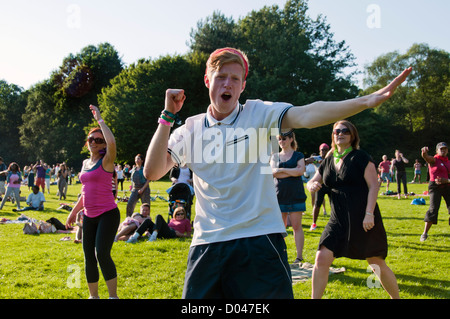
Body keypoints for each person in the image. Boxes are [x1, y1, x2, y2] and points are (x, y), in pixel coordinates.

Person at [143, 47, 411, 299]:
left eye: (235, 79)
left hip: (260, 239)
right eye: (221, 77)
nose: (228, 84)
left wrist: (365, 101)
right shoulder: (189, 129)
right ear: (207, 80)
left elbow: (307, 114)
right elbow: (152, 171)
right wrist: (167, 116)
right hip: (208, 243)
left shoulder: (259, 114)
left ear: (243, 86)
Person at [307, 120, 399, 299]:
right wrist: (311, 185)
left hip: (363, 217)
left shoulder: (361, 157)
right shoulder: (329, 159)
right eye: (336, 131)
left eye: (345, 131)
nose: (340, 134)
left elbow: (374, 186)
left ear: (352, 135)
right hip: (338, 218)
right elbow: (313, 180)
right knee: (321, 258)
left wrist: (369, 214)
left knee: (375, 262)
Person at [65, 105, 120, 299]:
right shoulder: (85, 164)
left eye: (98, 140)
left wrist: (100, 120)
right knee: (89, 257)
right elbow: (84, 192)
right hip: (88, 215)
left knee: (102, 254)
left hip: (108, 214)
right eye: (91, 139)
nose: (94, 142)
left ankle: (113, 296)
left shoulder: (107, 161)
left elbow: (112, 142)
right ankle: (93, 296)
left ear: (103, 144)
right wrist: (73, 212)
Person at [270, 131, 306, 263]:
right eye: (279, 139)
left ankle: (299, 256)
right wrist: (292, 171)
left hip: (296, 195)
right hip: (279, 195)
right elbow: (273, 173)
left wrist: (282, 170)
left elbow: (300, 171)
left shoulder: (298, 155)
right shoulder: (274, 156)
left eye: (284, 139)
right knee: (280, 228)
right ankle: (280, 254)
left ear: (291, 139)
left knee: (297, 227)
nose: (281, 141)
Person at [420, 142, 450, 241]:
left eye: (445, 149)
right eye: (441, 149)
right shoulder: (434, 160)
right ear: (437, 151)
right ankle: (424, 233)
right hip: (435, 187)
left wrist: (447, 180)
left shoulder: (448, 162)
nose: (443, 150)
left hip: (447, 186)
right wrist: (424, 154)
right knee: (433, 210)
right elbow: (427, 158)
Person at [127, 206, 191, 243]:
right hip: (163, 232)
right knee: (147, 221)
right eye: (178, 214)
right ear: (174, 214)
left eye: (182, 214)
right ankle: (134, 237)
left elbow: (189, 235)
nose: (180, 215)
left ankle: (153, 237)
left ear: (184, 214)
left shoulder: (186, 221)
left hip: (173, 233)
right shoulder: (172, 220)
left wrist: (181, 235)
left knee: (158, 216)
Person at [308, 143, 331, 231]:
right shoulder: (317, 158)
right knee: (317, 204)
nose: (324, 151)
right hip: (319, 184)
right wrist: (316, 162)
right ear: (319, 150)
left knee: (334, 204)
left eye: (325, 150)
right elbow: (307, 160)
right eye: (322, 150)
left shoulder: (330, 158)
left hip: (330, 184)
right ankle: (314, 223)